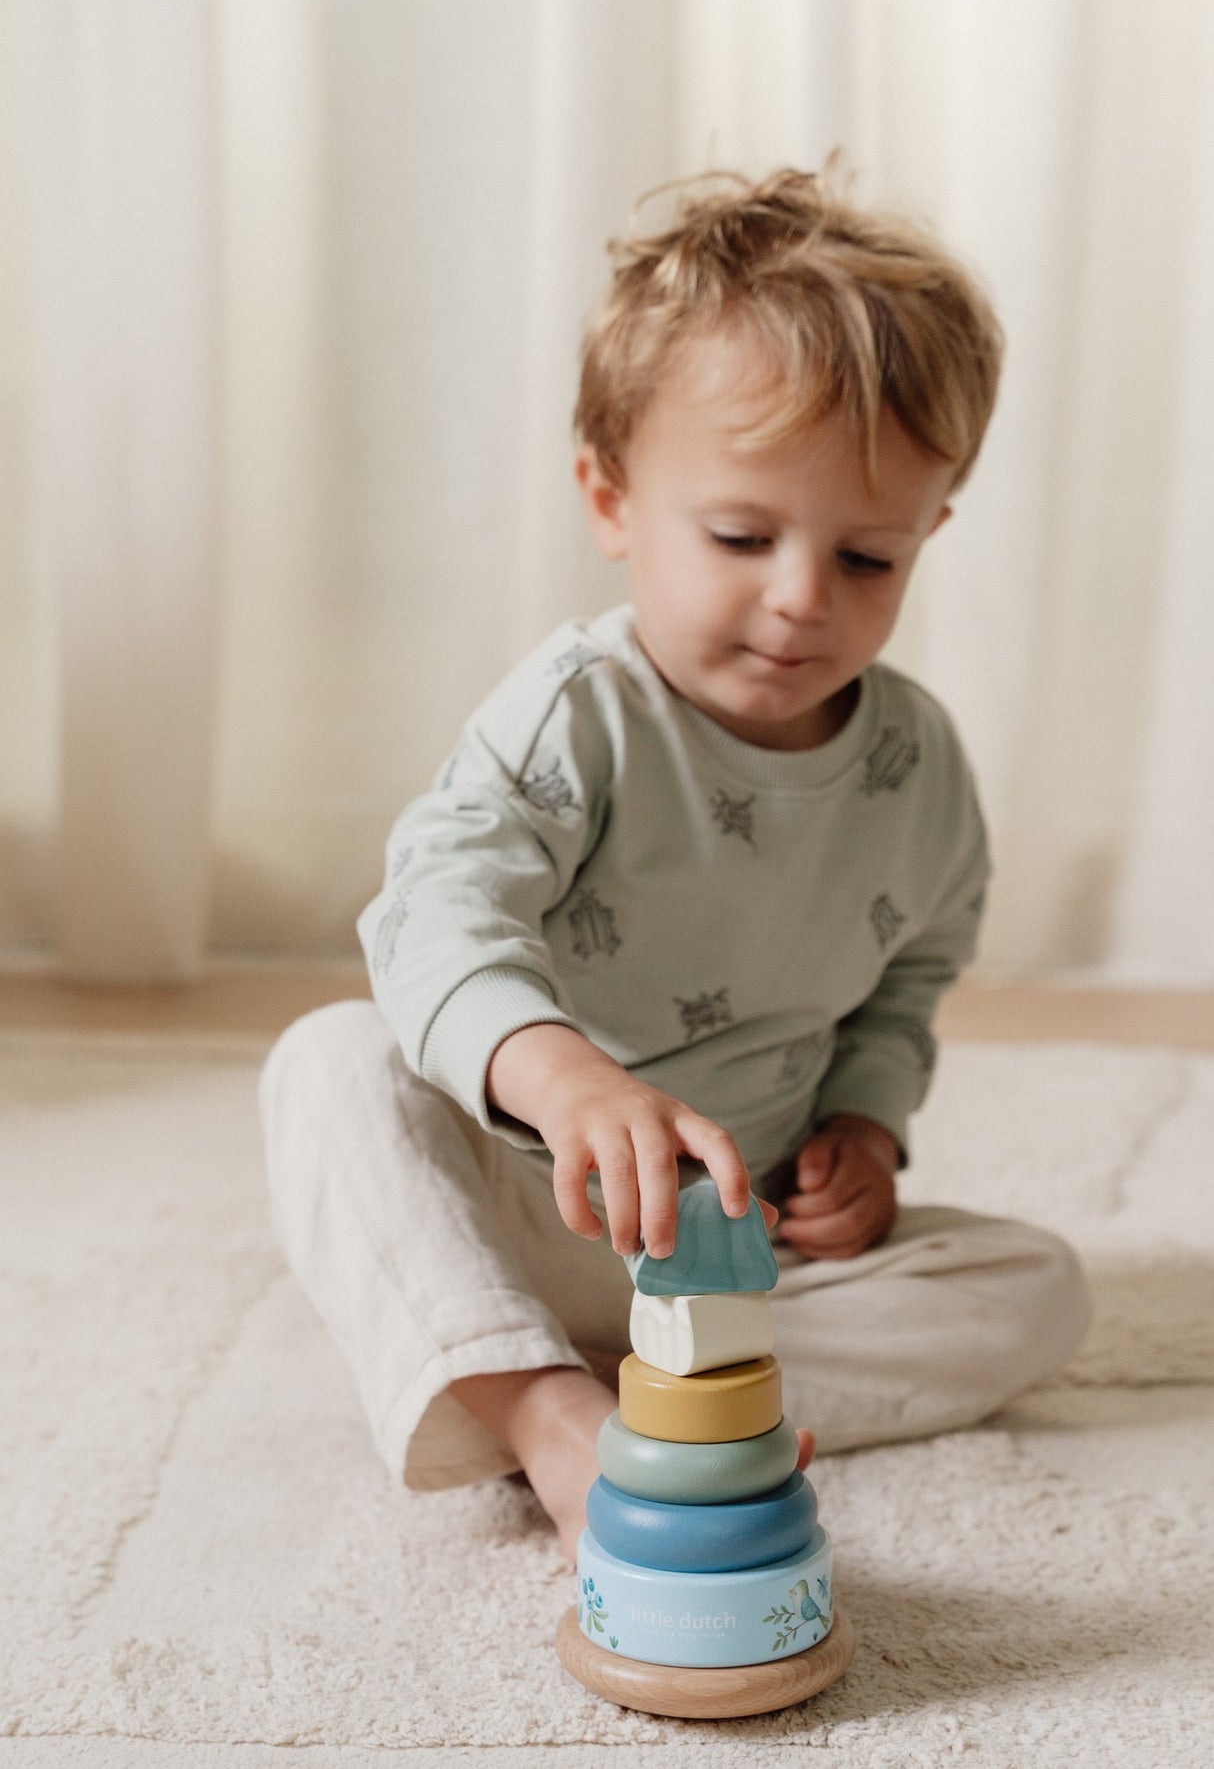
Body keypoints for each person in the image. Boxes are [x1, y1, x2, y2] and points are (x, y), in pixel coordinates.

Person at [259, 167, 1091, 1564]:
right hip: (536, 1196)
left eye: (867, 555)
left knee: (1039, 1290)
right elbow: (433, 917)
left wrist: (867, 1136)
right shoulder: (577, 716)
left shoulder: (915, 767)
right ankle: (537, 1409)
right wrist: (563, 1076)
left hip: (738, 1248)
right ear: (610, 497)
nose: (800, 597)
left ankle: (676, 1398)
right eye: (741, 536)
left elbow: (911, 972)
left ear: (928, 532)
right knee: (330, 1065)